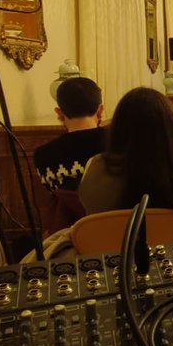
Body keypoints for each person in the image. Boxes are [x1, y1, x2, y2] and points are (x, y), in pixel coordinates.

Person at [79, 87, 173, 228]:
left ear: (117, 127)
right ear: (172, 128)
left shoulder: (95, 168)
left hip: (108, 249)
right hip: (171, 249)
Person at [34, 77, 106, 234]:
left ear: (59, 113)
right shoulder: (119, 143)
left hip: (69, 236)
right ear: (100, 110)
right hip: (116, 229)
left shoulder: (43, 156)